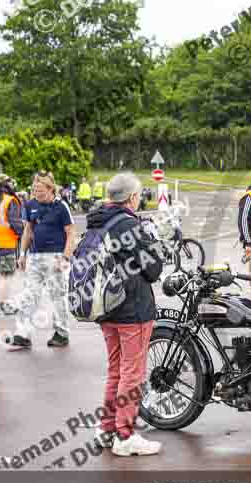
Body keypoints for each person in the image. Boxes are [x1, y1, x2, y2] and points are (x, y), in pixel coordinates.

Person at [89, 173, 165, 457]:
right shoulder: (129, 225)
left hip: (105, 308)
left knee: (115, 371)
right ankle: (125, 434)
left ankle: (107, 428)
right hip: (133, 308)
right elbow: (153, 269)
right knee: (132, 374)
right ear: (133, 197)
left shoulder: (97, 221)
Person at [11, 171, 75, 350]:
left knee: (57, 296)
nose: (37, 194)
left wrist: (65, 257)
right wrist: (22, 254)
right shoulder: (30, 204)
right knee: (30, 294)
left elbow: (71, 233)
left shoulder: (61, 207)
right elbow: (27, 231)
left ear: (51, 189)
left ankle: (61, 333)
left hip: (56, 257)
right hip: (35, 257)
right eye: (35, 190)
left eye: (40, 191)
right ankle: (23, 334)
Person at [0, 176, 24, 315]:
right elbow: (15, 223)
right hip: (7, 242)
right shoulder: (10, 200)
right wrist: (23, 230)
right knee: (6, 275)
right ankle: (3, 304)